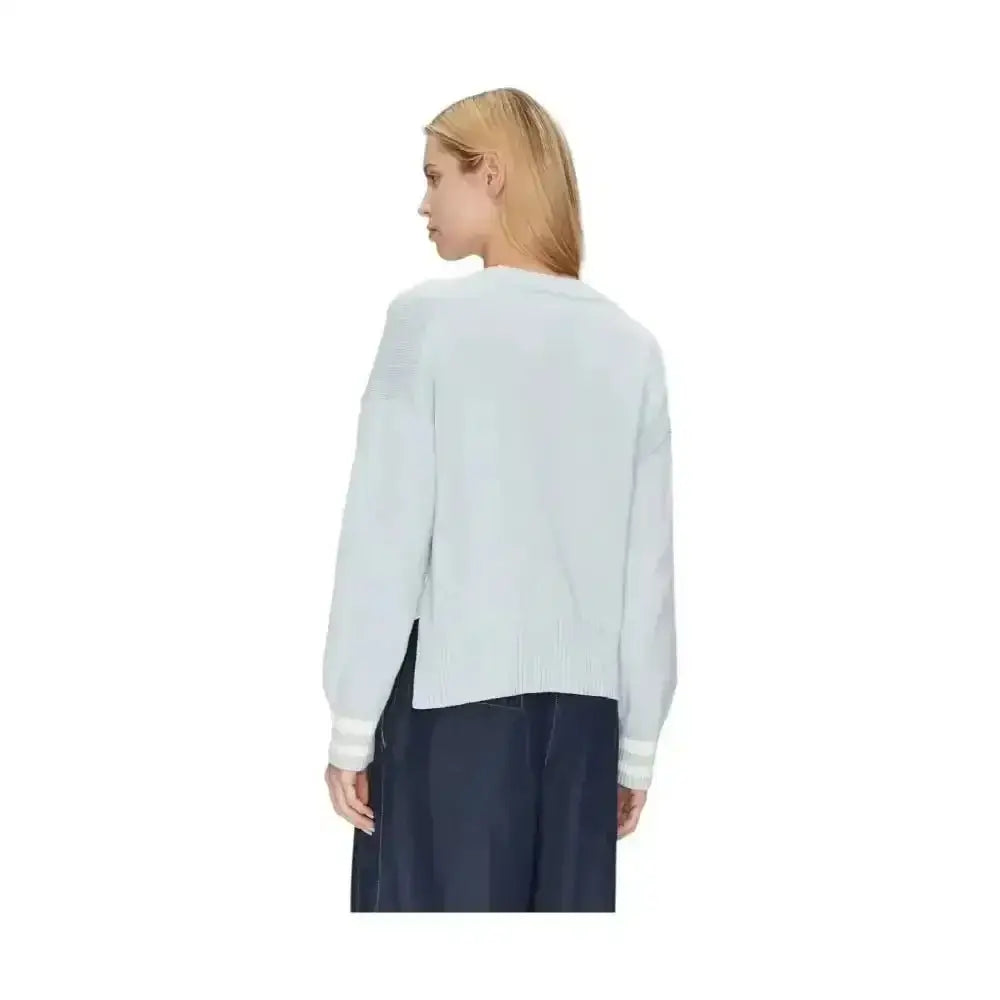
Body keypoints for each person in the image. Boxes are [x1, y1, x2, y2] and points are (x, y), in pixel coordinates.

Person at [321, 87, 677, 911]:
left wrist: (351, 722)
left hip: (448, 719)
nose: (424, 203)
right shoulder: (630, 347)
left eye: (435, 176)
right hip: (584, 729)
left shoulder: (428, 323)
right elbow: (648, 569)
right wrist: (636, 747)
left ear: (492, 175)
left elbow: (385, 532)